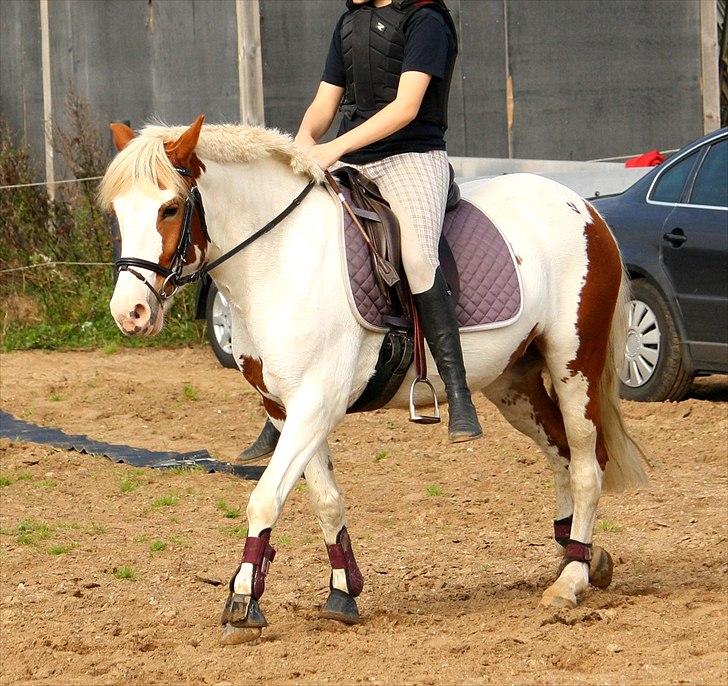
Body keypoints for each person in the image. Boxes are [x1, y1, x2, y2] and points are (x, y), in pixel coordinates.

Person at [240, 0, 481, 461]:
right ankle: (279, 409)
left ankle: (459, 392)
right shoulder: (349, 21)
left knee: (415, 255)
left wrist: (334, 148)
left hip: (410, 158)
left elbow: (407, 107)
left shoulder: (425, 19)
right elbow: (324, 102)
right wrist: (305, 141)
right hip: (352, 157)